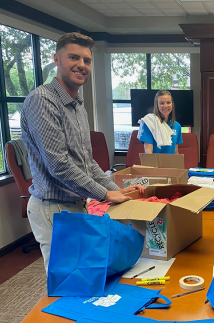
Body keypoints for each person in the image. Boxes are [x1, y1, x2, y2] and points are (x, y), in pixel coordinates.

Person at [21, 32, 144, 273]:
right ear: (57, 59)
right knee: (67, 282)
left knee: (82, 277)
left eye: (87, 60)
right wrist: (105, 194)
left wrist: (118, 191)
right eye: (74, 58)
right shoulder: (42, 100)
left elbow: (86, 163)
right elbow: (59, 164)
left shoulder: (78, 105)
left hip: (76, 204)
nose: (82, 65)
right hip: (53, 207)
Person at [138, 90, 183, 154]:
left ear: (172, 104)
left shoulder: (177, 126)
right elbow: (148, 153)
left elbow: (175, 152)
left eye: (168, 102)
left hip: (170, 163)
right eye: (162, 103)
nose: (165, 106)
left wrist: (179, 163)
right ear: (157, 105)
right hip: (152, 163)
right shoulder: (149, 124)